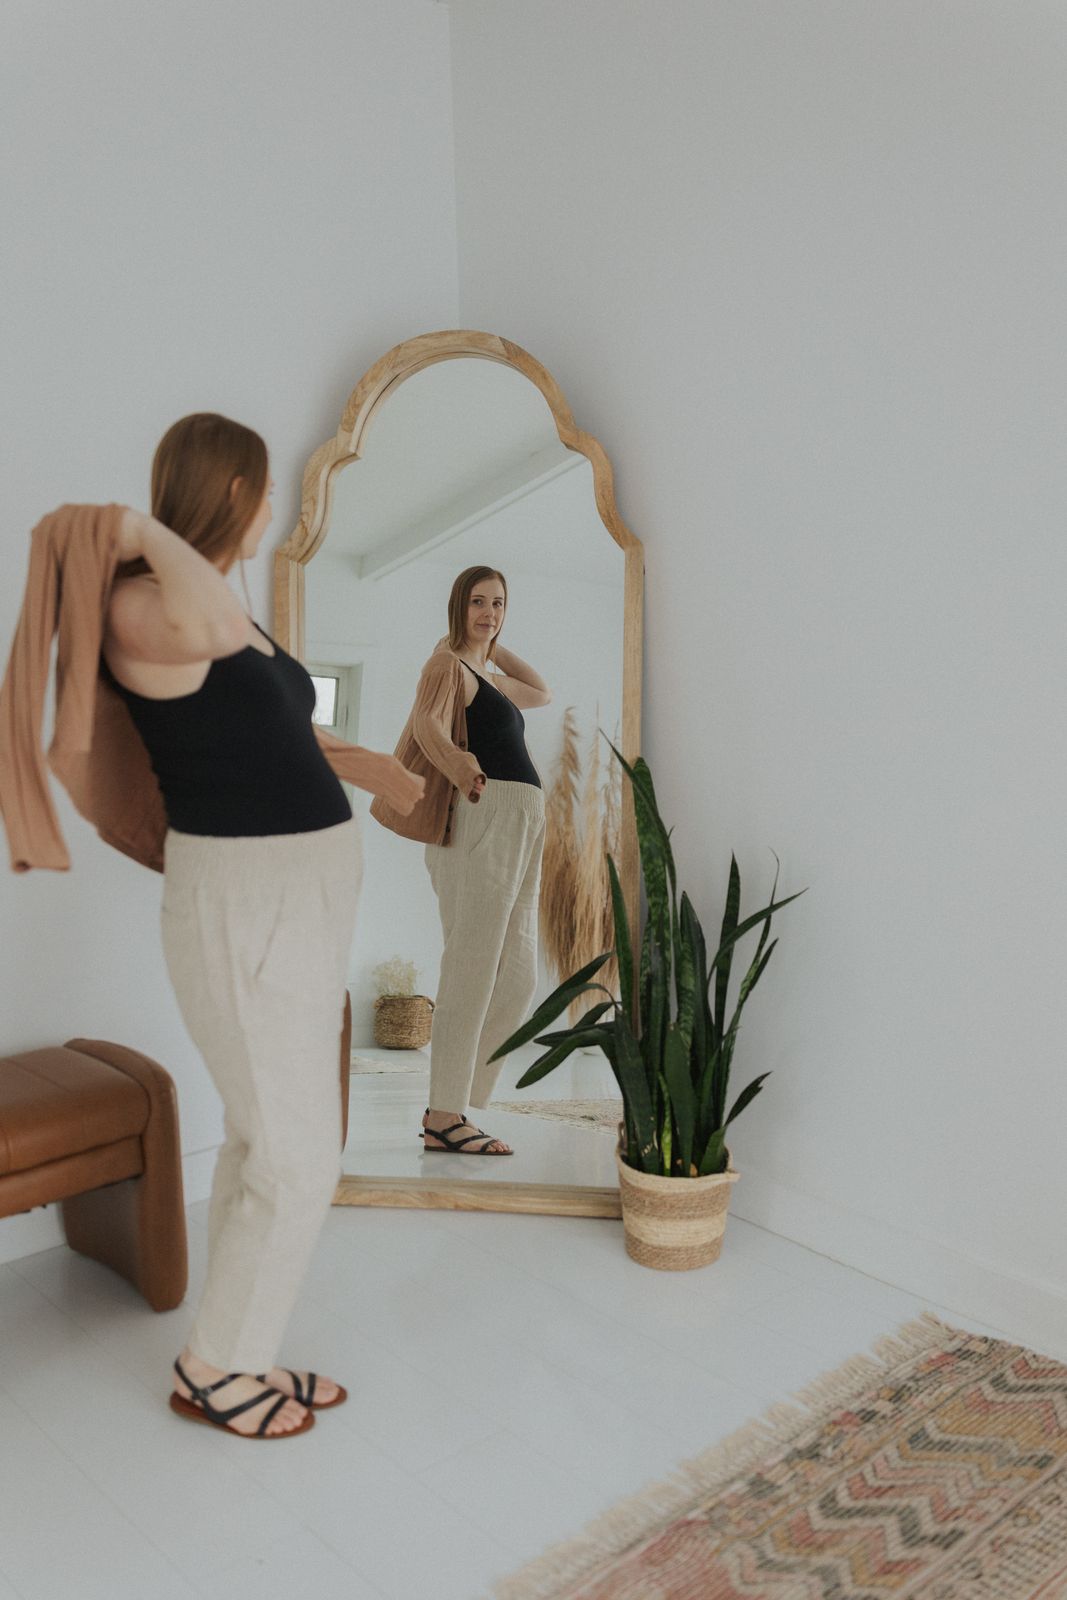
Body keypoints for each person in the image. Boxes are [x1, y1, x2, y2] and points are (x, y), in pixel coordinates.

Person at [103, 413, 423, 1438]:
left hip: (300, 895)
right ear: (234, 490)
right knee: (299, 1154)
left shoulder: (222, 608)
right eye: (264, 487)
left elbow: (287, 724)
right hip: (239, 902)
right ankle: (216, 1368)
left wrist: (374, 767)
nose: (274, 505)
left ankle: (237, 1351)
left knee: (266, 1138)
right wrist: (143, 531)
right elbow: (205, 633)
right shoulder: (142, 602)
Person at [370, 566, 550, 1155]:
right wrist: (460, 766)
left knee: (519, 976)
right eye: (477, 602)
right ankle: (445, 1115)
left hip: (524, 821)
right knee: (471, 968)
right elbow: (425, 724)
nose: (489, 612)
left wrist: (492, 643)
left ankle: (458, 1099)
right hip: (485, 814)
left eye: (498, 603)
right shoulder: (448, 665)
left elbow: (542, 690)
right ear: (457, 606)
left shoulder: (487, 673)